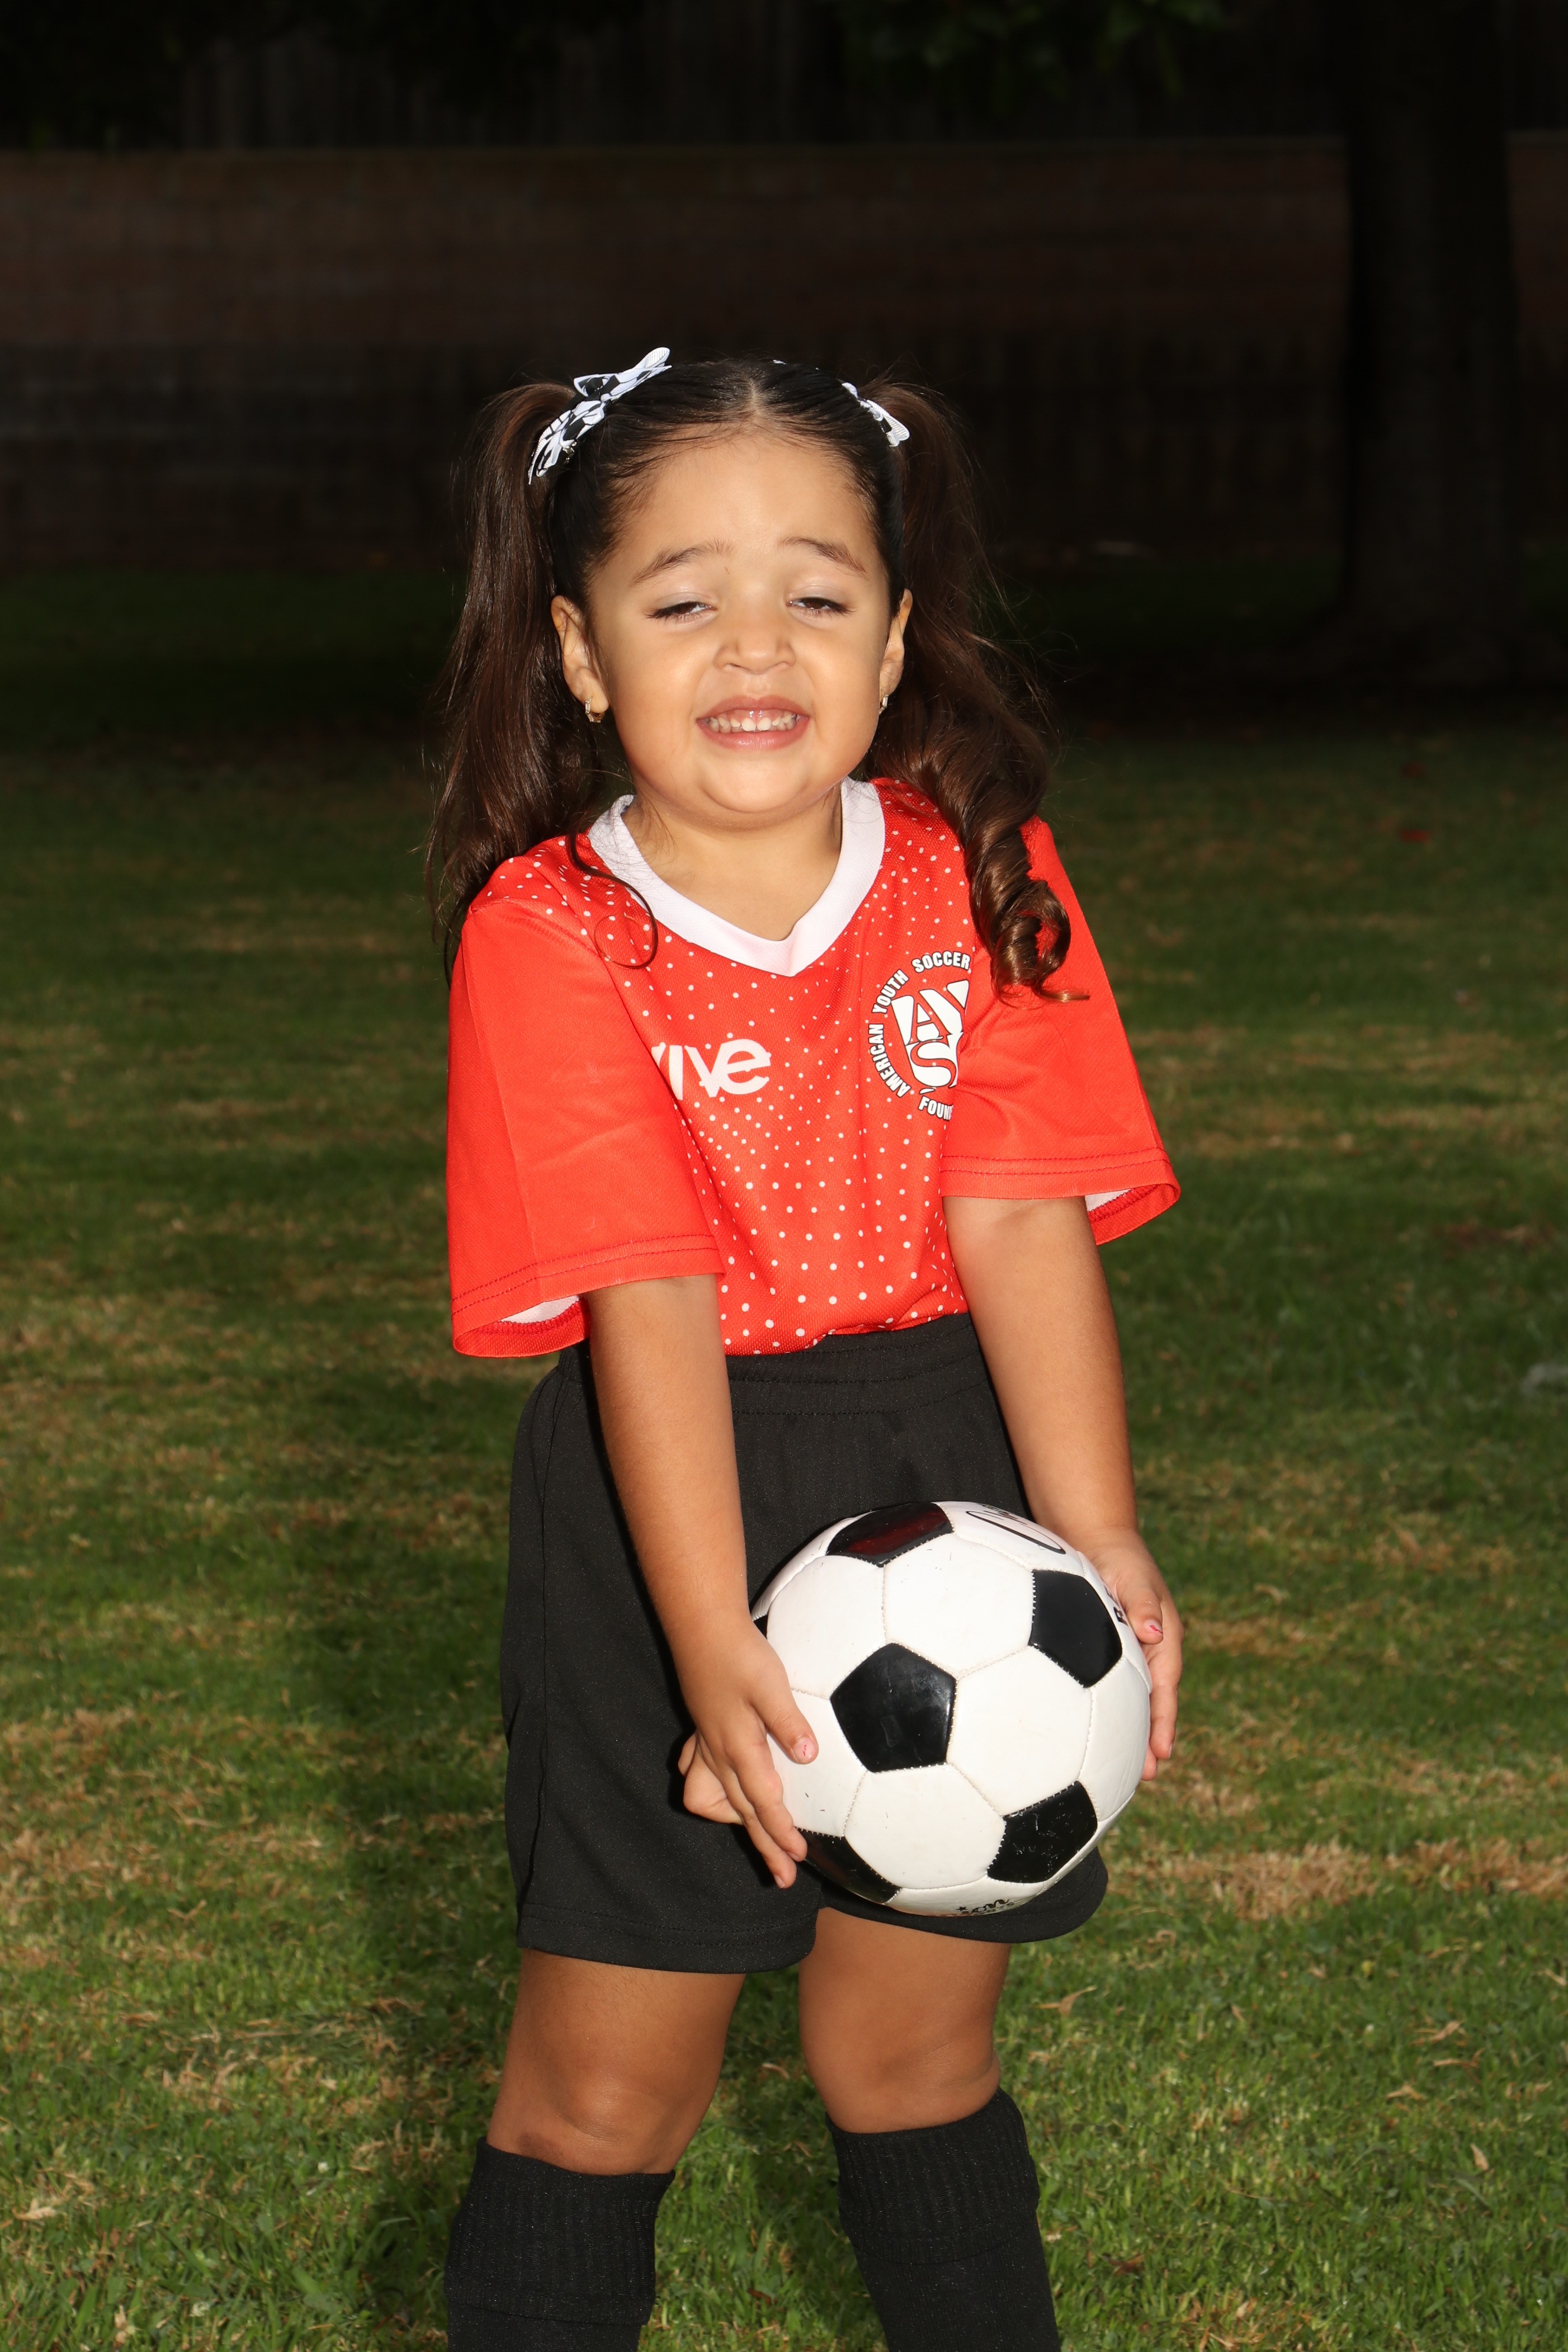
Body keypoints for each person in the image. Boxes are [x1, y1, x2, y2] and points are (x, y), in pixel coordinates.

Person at [430, 349, 1184, 2352]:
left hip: (950, 1487)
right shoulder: (550, 931)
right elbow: (649, 1296)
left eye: (818, 593)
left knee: (913, 2060)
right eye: (683, 598)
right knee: (608, 2090)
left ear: (897, 636)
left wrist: (1099, 1537)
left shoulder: (979, 869)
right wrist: (708, 1644)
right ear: (580, 652)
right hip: (664, 1502)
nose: (755, 644)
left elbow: (1019, 1219)